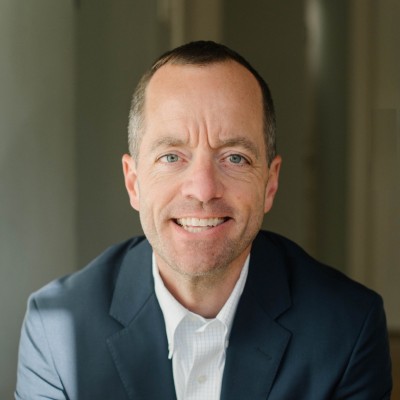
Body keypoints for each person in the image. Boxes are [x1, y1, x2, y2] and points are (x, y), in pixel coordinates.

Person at [16, 41, 392, 400]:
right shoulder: (57, 331)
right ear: (133, 182)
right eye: (171, 157)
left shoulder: (348, 328)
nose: (202, 189)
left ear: (270, 184)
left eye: (234, 157)